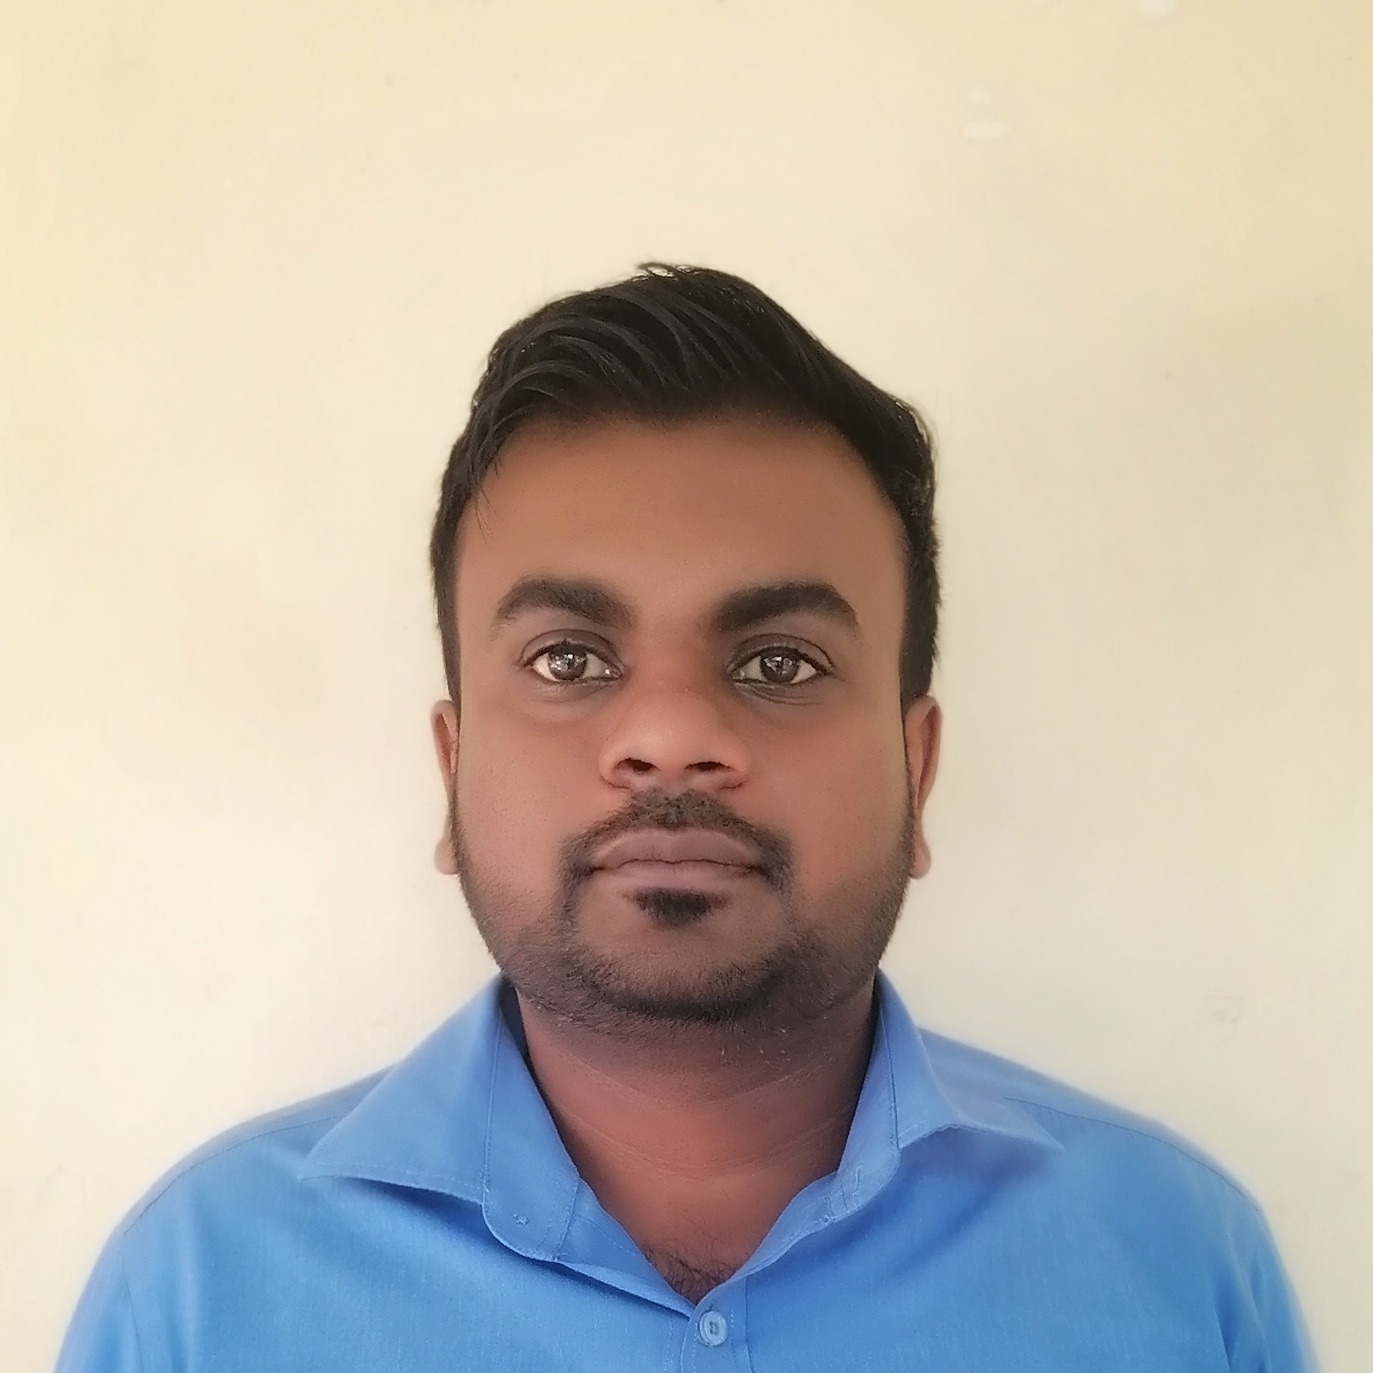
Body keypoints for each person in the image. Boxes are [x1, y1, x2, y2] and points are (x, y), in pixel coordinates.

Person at [56, 264, 1316, 1372]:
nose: (668, 733)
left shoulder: (1174, 1261)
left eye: (778, 662)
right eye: (567, 659)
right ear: (451, 767)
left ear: (915, 768)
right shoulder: (201, 1290)